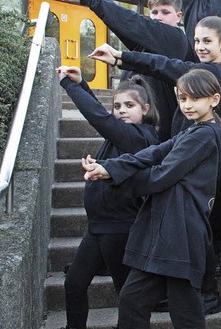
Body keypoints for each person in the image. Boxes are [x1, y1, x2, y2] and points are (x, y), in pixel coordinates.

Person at [81, 69, 221, 328]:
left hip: (180, 230)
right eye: (182, 99)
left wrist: (116, 178)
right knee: (135, 300)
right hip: (169, 229)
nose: (187, 105)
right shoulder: (195, 131)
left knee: (181, 311)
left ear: (213, 100)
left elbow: (161, 176)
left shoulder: (204, 135)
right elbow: (154, 153)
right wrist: (109, 167)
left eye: (194, 99)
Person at [57, 66, 160, 329]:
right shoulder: (119, 135)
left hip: (120, 228)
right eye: (117, 106)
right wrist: (82, 84)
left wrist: (70, 86)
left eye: (129, 105)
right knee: (74, 282)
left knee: (126, 293)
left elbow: (101, 119)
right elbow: (107, 122)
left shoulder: (142, 137)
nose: (122, 110)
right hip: (98, 227)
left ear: (145, 109)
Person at [62, 0, 189, 142]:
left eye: (165, 12)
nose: (158, 17)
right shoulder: (147, 43)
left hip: (154, 131)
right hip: (132, 125)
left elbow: (134, 23)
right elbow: (123, 24)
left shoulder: (175, 39)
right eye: (154, 12)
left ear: (179, 16)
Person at [87, 16, 221, 136]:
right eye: (197, 41)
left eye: (207, 41)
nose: (200, 47)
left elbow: (165, 65)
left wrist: (122, 56)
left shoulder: (213, 72)